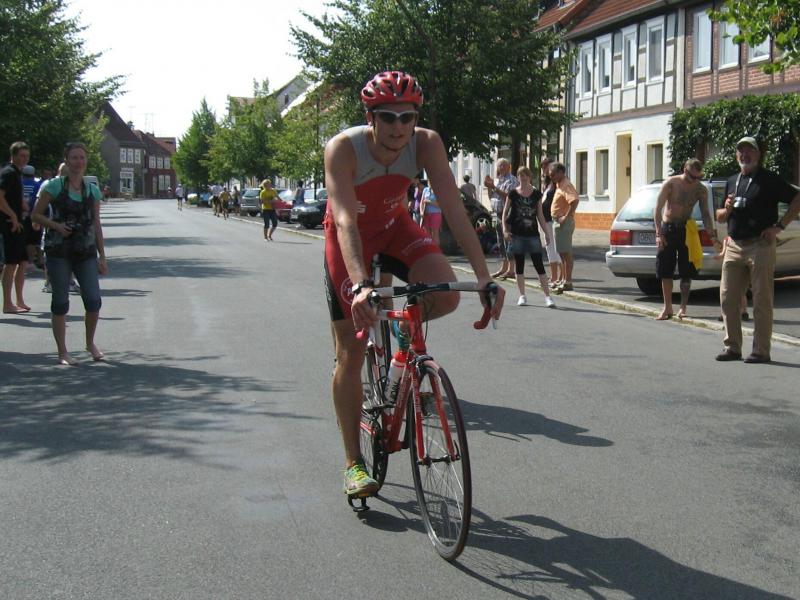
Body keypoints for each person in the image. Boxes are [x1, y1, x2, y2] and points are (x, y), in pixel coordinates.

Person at [324, 70, 505, 497]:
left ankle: (403, 352)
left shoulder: (427, 143)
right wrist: (362, 284)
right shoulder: (343, 149)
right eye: (388, 117)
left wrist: (484, 277)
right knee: (350, 351)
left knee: (444, 294)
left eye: (407, 117)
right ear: (370, 117)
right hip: (349, 239)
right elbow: (345, 219)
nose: (398, 127)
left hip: (395, 228)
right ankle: (353, 464)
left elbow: (454, 210)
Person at [714, 136, 800, 363]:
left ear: (758, 154)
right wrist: (727, 209)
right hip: (734, 245)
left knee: (761, 299)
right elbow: (719, 216)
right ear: (737, 155)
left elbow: (797, 198)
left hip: (760, 244)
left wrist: (779, 226)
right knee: (727, 298)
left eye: (749, 151)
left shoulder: (769, 180)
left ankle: (761, 351)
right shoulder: (732, 181)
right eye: (741, 151)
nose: (745, 155)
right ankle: (732, 347)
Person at [32, 143, 107, 365]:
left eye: (82, 157)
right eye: (74, 158)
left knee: (93, 300)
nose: (78, 162)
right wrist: (56, 226)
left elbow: (96, 224)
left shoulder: (91, 190)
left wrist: (102, 256)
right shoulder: (54, 186)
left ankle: (90, 343)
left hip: (85, 251)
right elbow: (36, 215)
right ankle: (62, 352)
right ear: (67, 160)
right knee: (60, 301)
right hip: (59, 251)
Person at [653, 158, 715, 320]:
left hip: (686, 229)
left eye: (697, 177)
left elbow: (706, 213)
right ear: (685, 170)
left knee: (686, 271)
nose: (694, 180)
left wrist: (712, 234)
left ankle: (683, 308)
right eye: (691, 176)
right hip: (668, 229)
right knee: (665, 269)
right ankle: (667, 307)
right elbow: (657, 208)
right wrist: (659, 234)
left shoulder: (700, 189)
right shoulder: (671, 183)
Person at [502, 166, 556, 308]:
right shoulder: (513, 193)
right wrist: (505, 229)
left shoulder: (536, 194)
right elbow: (505, 212)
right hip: (517, 234)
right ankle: (522, 295)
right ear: (518, 177)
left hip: (532, 235)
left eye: (525, 175)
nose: (523, 178)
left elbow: (540, 215)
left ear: (530, 177)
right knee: (519, 266)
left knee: (539, 265)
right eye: (520, 175)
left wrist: (546, 233)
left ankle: (548, 296)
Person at [0, 141, 32, 313]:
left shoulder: (17, 173)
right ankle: (7, 303)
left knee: (23, 261)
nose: (24, 159)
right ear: (13, 155)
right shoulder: (9, 173)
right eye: (21, 155)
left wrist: (22, 204)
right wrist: (12, 215)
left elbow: (11, 196)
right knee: (11, 263)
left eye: (27, 156)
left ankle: (19, 299)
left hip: (19, 223)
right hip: (9, 224)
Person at [548, 162, 579, 293]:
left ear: (561, 172)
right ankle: (564, 279)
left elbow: (574, 200)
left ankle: (568, 281)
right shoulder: (559, 184)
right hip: (558, 222)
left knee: (566, 253)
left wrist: (566, 217)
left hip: (563, 223)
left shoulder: (566, 184)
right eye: (550, 175)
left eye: (553, 174)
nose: (551, 177)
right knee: (562, 252)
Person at [484, 159, 518, 279]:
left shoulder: (512, 180)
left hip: (508, 214)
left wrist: (493, 187)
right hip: (497, 214)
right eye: (499, 165)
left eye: (504, 165)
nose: (501, 167)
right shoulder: (497, 180)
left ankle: (511, 269)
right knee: (500, 242)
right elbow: (491, 196)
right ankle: (504, 267)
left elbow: (508, 197)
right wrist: (489, 187)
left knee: (508, 241)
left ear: (509, 167)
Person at [714, 236, 749, 322]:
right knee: (728, 291)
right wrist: (720, 255)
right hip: (731, 268)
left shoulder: (743, 240)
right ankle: (726, 312)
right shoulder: (727, 240)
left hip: (741, 266)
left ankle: (743, 311)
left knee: (740, 291)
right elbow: (723, 253)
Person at [539, 157, 562, 286]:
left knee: (557, 248)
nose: (544, 170)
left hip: (554, 219)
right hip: (545, 219)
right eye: (543, 168)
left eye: (545, 167)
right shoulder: (547, 183)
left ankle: (561, 276)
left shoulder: (557, 183)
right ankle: (553, 276)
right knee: (549, 248)